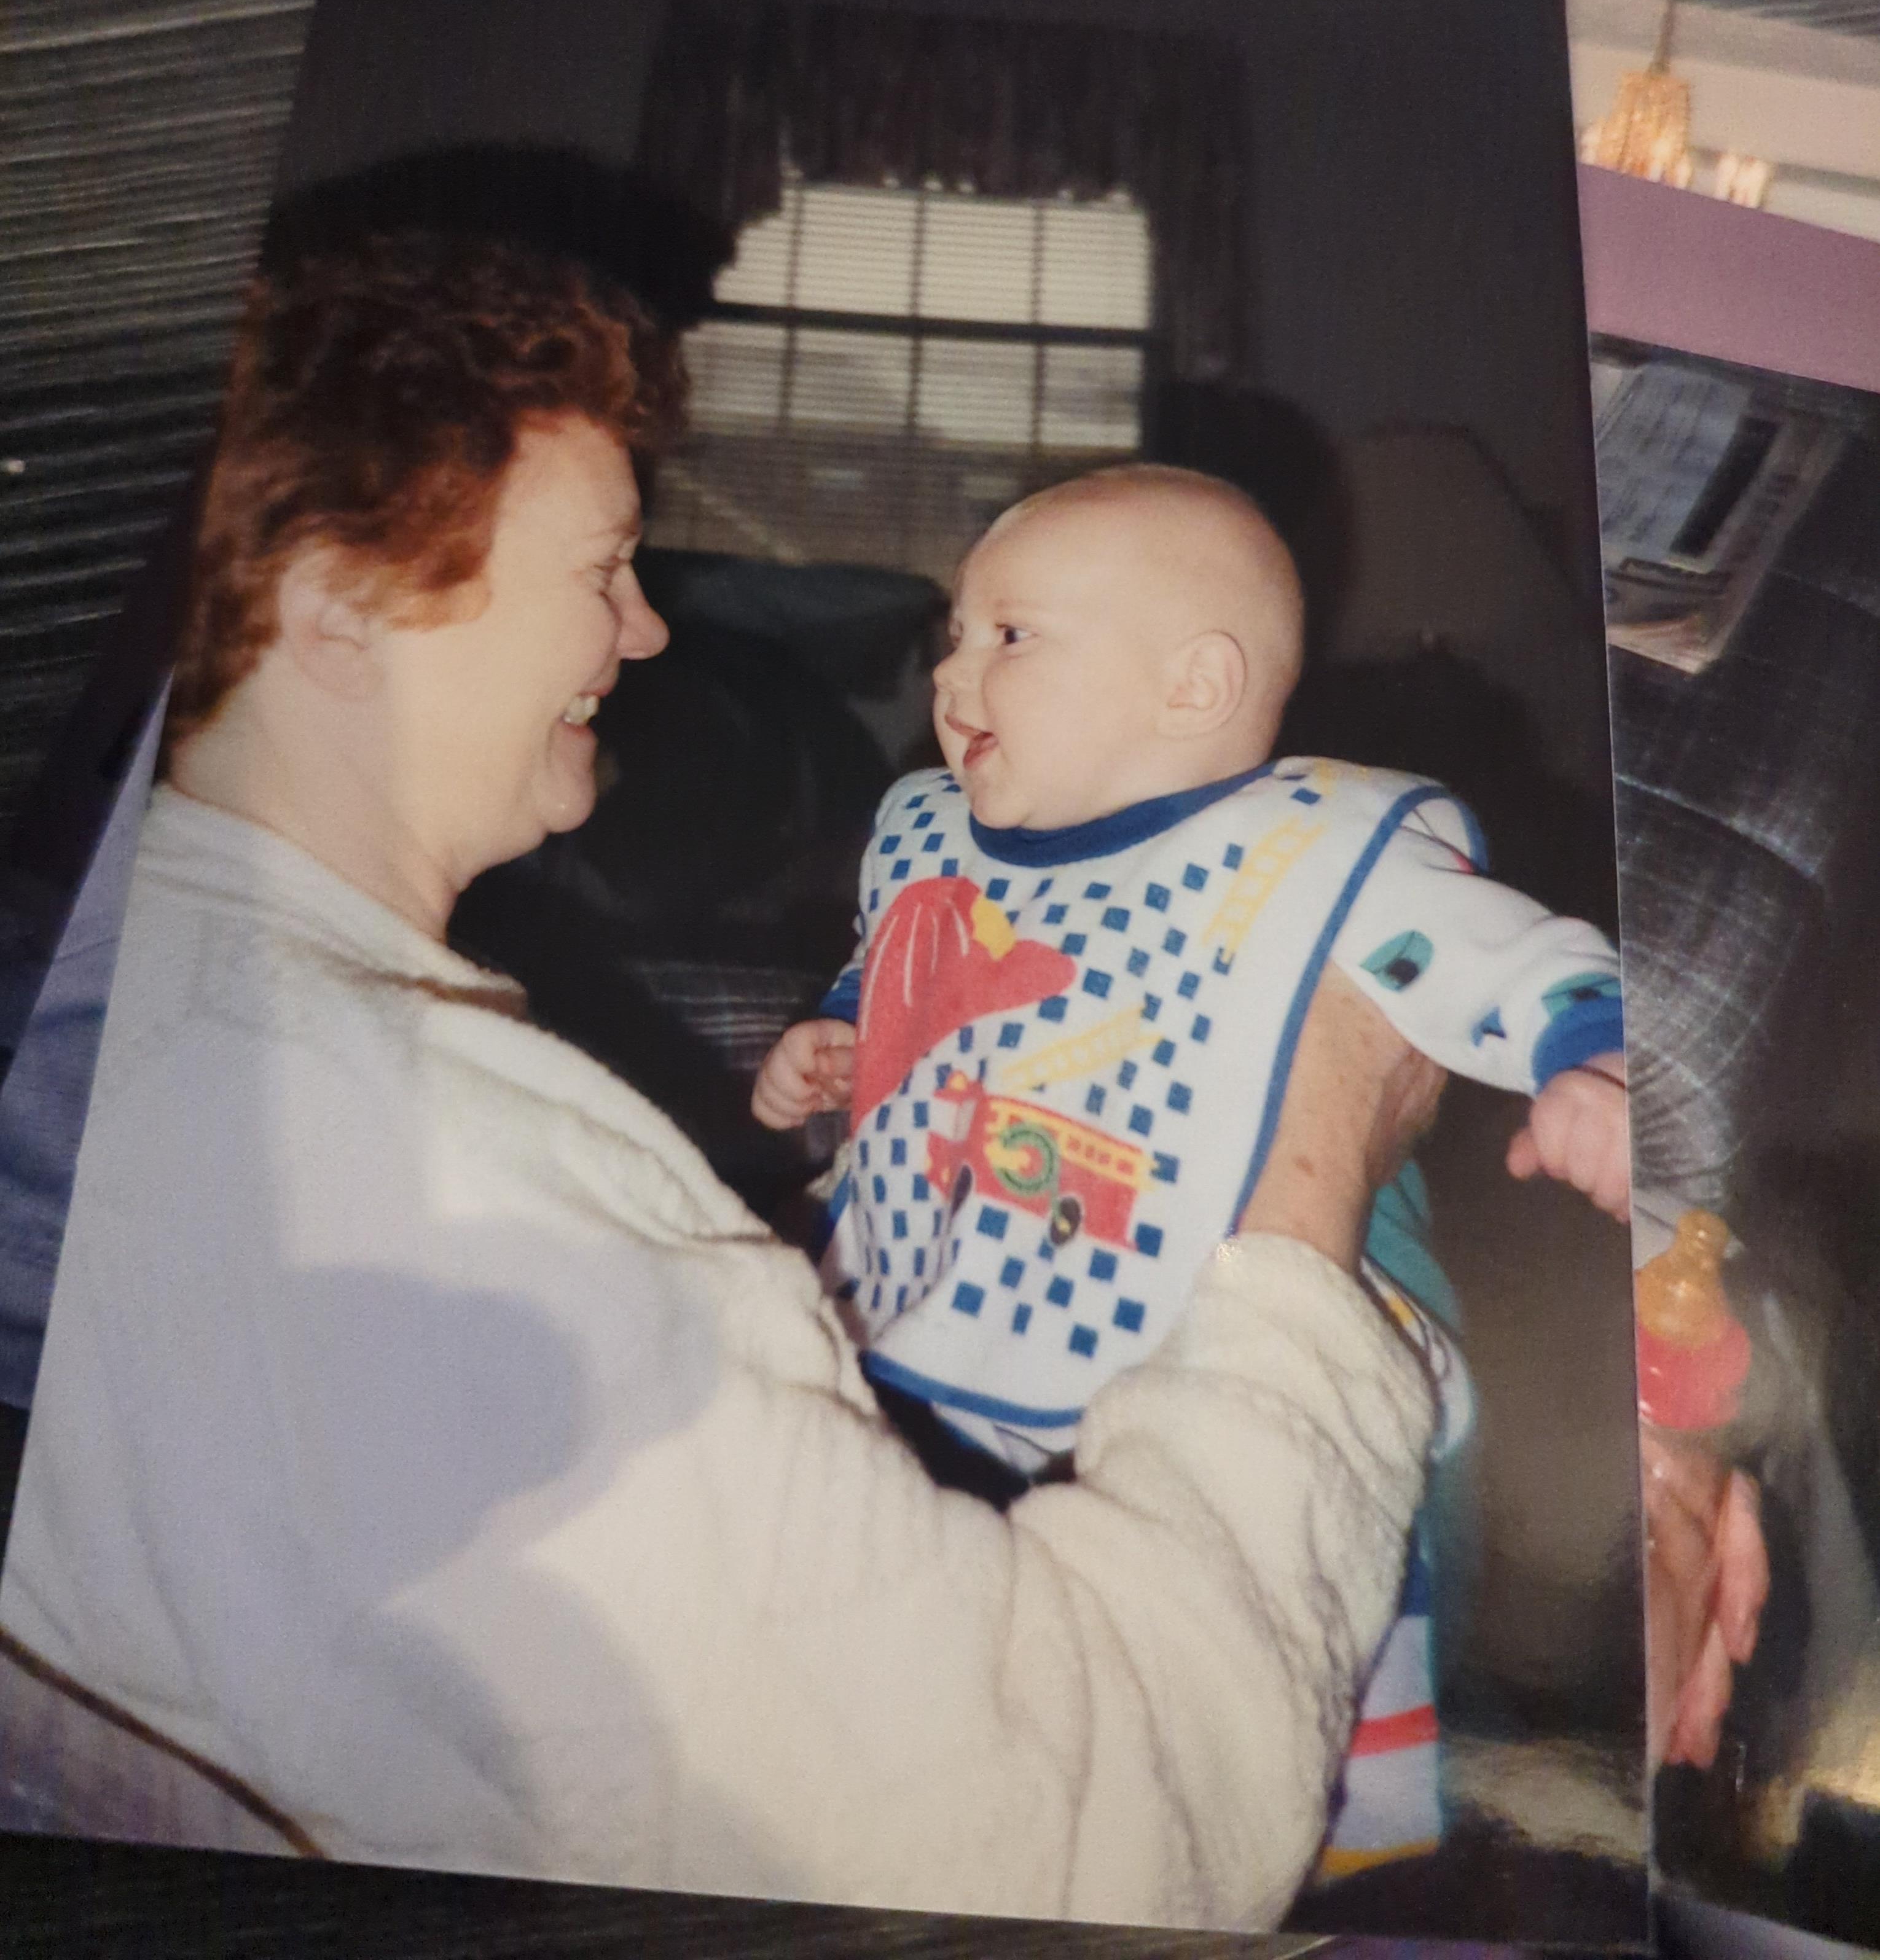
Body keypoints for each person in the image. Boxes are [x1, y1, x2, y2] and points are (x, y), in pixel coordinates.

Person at [0, 234, 1444, 1931]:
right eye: (603, 566)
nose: (646, 621)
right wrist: (1313, 1185)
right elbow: (1105, 1845)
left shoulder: (131, 1005)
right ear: (340, 606)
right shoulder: (410, 1169)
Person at [753, 463, 1637, 1870]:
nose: (954, 674)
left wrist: (1583, 1061)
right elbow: (901, 964)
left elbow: (1512, 963)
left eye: (1011, 636)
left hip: (1200, 1321)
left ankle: (1359, 1795)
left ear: (1193, 686)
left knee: (1359, 1497)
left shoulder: (1322, 857)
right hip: (946, 1296)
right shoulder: (941, 838)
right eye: (955, 639)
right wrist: (838, 1039)